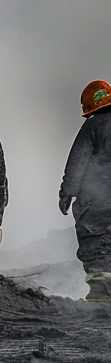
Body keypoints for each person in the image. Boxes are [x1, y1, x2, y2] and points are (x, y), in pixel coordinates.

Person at [60, 81, 111, 302]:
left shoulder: (93, 126)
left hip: (97, 203)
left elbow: (77, 163)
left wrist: (66, 192)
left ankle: (101, 298)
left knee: (96, 246)